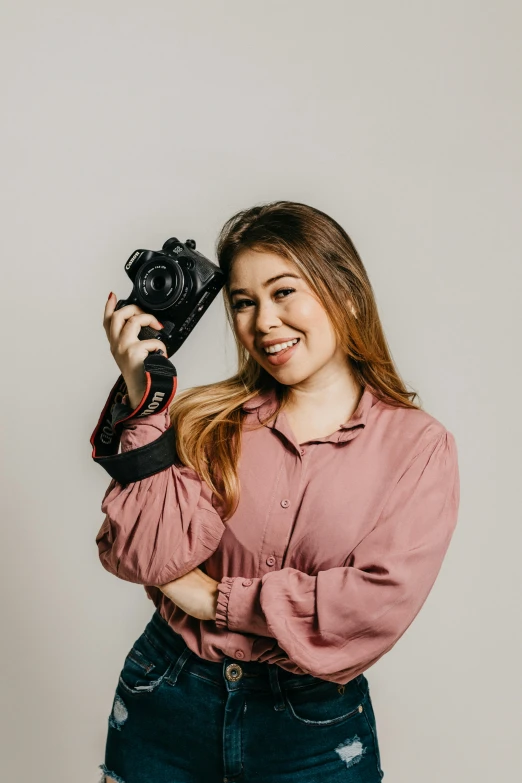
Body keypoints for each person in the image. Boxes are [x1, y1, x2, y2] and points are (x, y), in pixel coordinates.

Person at [96, 200, 460, 783]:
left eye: (284, 291)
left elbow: (373, 606)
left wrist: (214, 599)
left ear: (345, 292)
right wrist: (145, 396)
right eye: (244, 302)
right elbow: (143, 556)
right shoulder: (203, 420)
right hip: (167, 694)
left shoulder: (417, 448)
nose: (263, 320)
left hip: (310, 726)